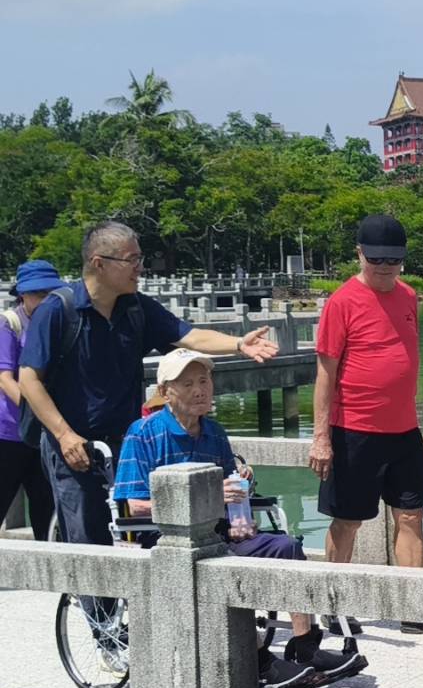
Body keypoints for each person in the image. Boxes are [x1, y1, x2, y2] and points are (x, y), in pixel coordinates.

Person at [114, 349, 366, 688]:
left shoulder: (214, 432)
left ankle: (305, 645)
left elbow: (230, 491)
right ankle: (259, 662)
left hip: (220, 531)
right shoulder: (143, 433)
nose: (200, 390)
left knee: (286, 547)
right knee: (230, 567)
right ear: (165, 391)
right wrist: (207, 496)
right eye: (188, 384)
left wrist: (241, 484)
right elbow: (131, 505)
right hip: (165, 540)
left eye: (204, 381)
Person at [18, 221, 278, 546]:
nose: (139, 268)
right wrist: (64, 435)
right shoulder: (59, 310)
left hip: (129, 445)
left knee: (136, 535)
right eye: (131, 260)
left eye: (139, 259)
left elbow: (189, 335)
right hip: (76, 447)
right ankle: (91, 583)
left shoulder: (136, 307)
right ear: (99, 263)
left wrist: (239, 344)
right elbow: (29, 379)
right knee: (88, 539)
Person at [308, 214, 423, 632]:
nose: (385, 267)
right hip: (354, 431)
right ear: (360, 254)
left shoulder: (409, 296)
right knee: (348, 521)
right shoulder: (342, 302)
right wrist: (321, 438)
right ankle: (333, 604)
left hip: (405, 431)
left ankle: (415, 610)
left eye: (393, 260)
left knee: (411, 516)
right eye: (376, 259)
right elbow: (325, 374)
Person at [0, 261, 67, 540]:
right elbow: (5, 378)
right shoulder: (10, 324)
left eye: (50, 293)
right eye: (38, 294)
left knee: (47, 511)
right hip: (9, 433)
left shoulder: (60, 322)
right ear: (22, 294)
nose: (44, 299)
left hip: (45, 435)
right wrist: (35, 411)